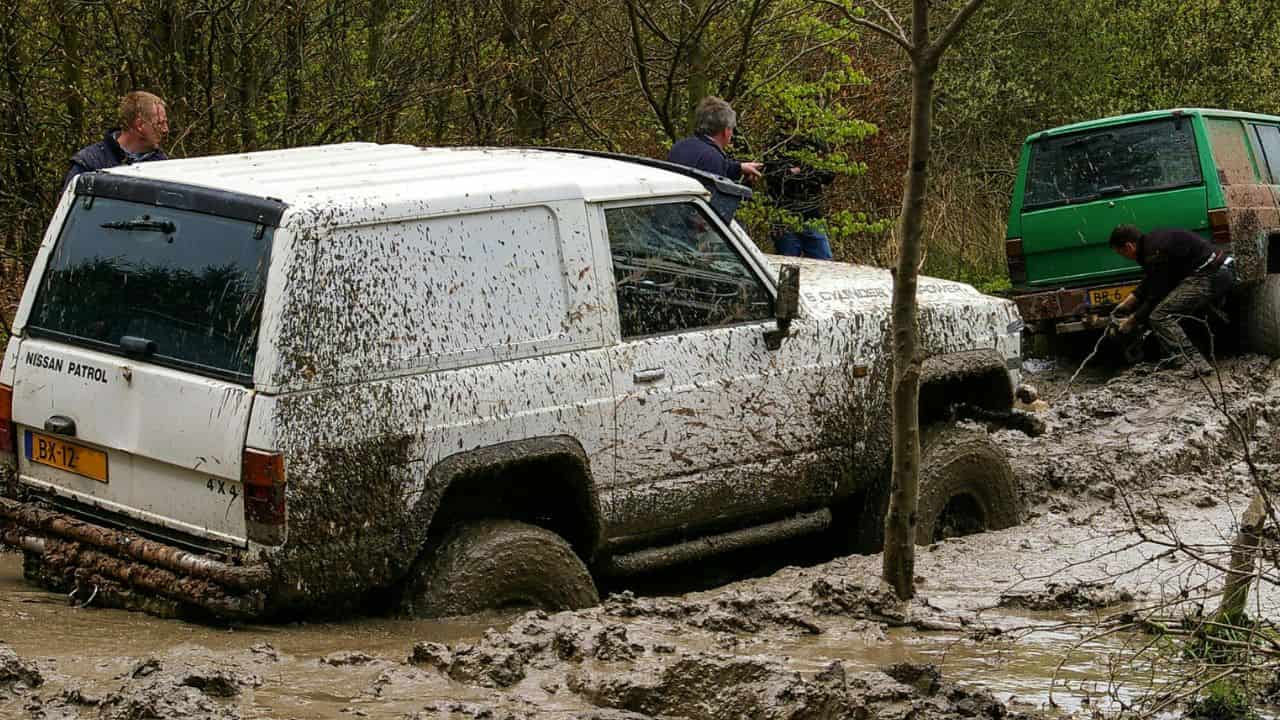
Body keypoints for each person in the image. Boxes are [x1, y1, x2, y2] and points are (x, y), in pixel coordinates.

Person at [1108, 224, 1236, 376]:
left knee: (1160, 316)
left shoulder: (1153, 252)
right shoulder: (1152, 244)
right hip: (1214, 270)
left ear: (1129, 246)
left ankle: (1193, 363)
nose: (1125, 258)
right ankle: (1174, 358)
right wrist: (1127, 303)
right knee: (1164, 310)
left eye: (1122, 253)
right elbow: (1152, 280)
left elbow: (1158, 295)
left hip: (1211, 275)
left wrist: (1132, 321)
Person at [63, 91, 169, 189]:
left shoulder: (162, 166)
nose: (165, 129)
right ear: (139, 125)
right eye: (160, 123)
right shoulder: (90, 163)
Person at [764, 136, 835, 260]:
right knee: (788, 265)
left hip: (812, 216)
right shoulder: (778, 143)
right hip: (784, 217)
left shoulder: (817, 140)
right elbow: (771, 175)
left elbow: (829, 174)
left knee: (824, 261)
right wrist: (791, 172)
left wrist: (806, 171)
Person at [667, 96, 762, 184]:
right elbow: (716, 200)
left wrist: (739, 168)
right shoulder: (712, 158)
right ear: (726, 131)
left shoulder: (679, 146)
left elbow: (714, 164)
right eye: (732, 128)